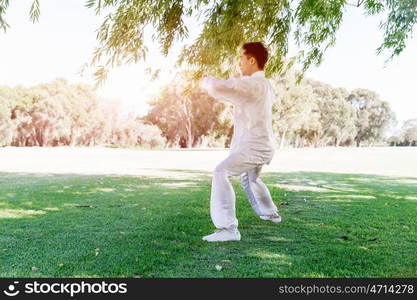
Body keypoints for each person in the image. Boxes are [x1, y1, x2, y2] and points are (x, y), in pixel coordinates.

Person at [200, 42, 282, 242]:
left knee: (221, 171)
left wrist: (206, 82)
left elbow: (229, 86)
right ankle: (271, 213)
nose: (239, 63)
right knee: (250, 179)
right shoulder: (264, 85)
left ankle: (228, 229)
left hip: (255, 146)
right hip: (262, 145)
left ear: (252, 60)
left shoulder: (254, 84)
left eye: (241, 59)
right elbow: (235, 95)